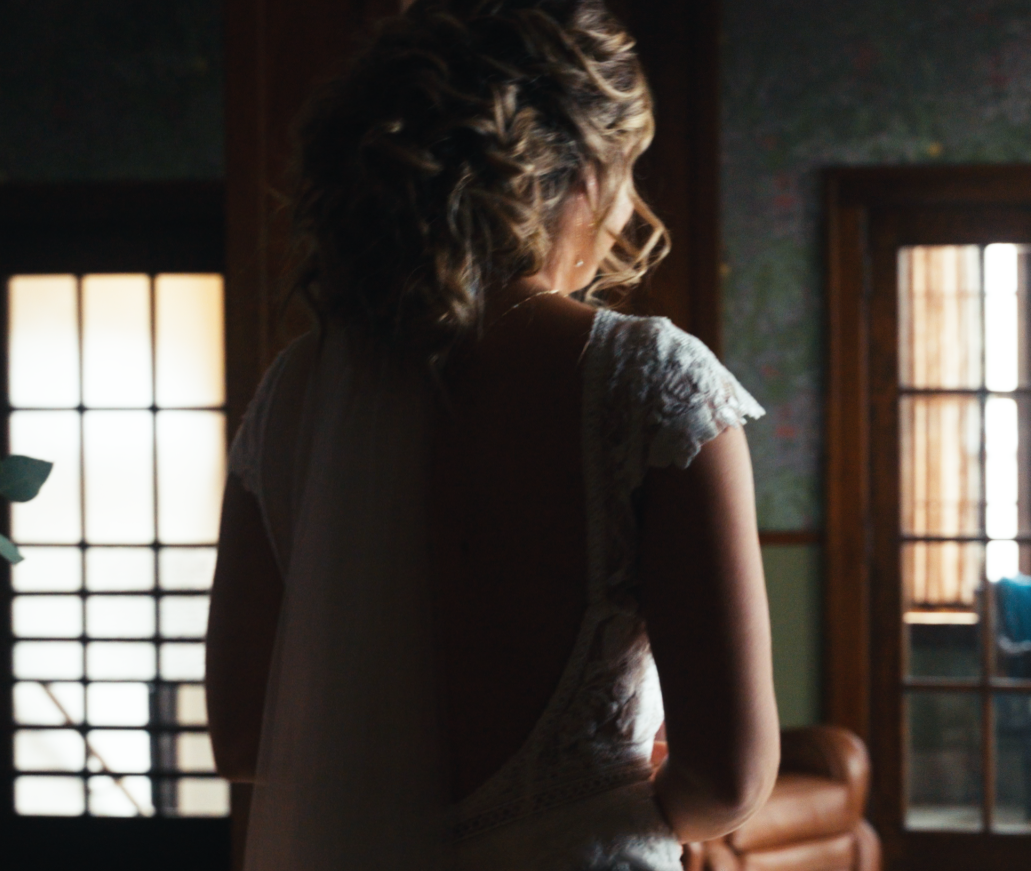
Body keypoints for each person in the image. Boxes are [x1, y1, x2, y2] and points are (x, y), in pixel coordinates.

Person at [203, 2, 779, 869]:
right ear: (574, 173)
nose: (627, 207)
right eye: (625, 170)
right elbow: (729, 778)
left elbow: (245, 737)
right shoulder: (649, 381)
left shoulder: (296, 392)